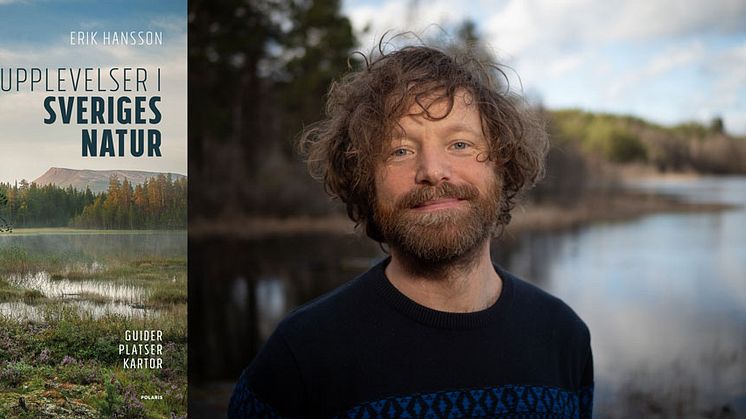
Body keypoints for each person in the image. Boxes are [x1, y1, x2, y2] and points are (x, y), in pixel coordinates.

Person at [228, 42, 593, 418]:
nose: (432, 170)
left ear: (502, 167)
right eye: (399, 150)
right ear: (365, 182)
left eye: (460, 144)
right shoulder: (299, 356)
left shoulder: (564, 336)